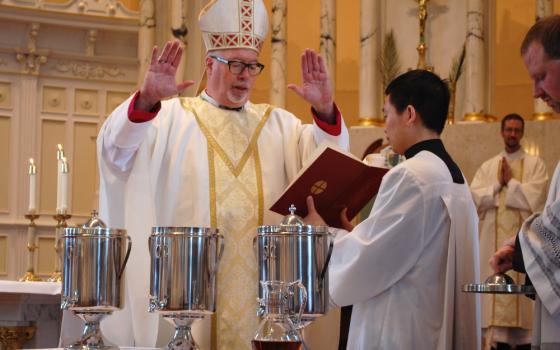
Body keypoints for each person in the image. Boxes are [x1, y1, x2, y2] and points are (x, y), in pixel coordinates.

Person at [79, 0, 350, 348]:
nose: (245, 75)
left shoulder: (280, 126)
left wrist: (324, 108)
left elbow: (326, 163)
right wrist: (146, 99)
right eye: (235, 64)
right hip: (188, 298)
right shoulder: (170, 119)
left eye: (253, 67)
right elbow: (115, 153)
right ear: (210, 63)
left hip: (266, 303)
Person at [305, 69, 480, 349]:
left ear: (409, 114)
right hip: (432, 325)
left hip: (402, 329)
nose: (384, 127)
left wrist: (320, 234)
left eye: (387, 114)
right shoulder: (451, 173)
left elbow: (366, 264)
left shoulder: (410, 175)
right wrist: (362, 233)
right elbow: (407, 246)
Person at [490, 14, 560, 349]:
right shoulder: (491, 165)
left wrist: (521, 248)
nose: (535, 91)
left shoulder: (533, 164)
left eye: (541, 76)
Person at [471, 113, 548, 350]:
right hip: (494, 246)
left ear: (522, 133)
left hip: (523, 250)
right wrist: (497, 185)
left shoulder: (536, 165)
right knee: (497, 329)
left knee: (523, 316)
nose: (512, 134)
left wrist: (511, 184)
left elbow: (537, 201)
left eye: (517, 130)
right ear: (501, 132)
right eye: (509, 129)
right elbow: (475, 198)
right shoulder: (488, 166)